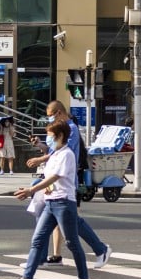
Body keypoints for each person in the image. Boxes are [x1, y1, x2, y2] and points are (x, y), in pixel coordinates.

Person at [7, 119, 91, 279]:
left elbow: (54, 177)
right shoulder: (55, 154)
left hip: (64, 203)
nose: (49, 139)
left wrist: (31, 190)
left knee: (72, 242)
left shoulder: (67, 154)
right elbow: (47, 177)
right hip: (50, 202)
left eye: (51, 136)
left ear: (60, 136)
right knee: (38, 240)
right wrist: (34, 189)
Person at [26, 100, 111, 268]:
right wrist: (41, 146)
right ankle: (40, 260)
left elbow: (62, 153)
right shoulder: (62, 128)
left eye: (50, 115)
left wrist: (40, 162)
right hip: (54, 186)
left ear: (59, 113)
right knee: (47, 222)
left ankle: (99, 251)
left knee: (71, 223)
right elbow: (53, 151)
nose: (49, 119)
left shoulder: (70, 129)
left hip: (64, 186)